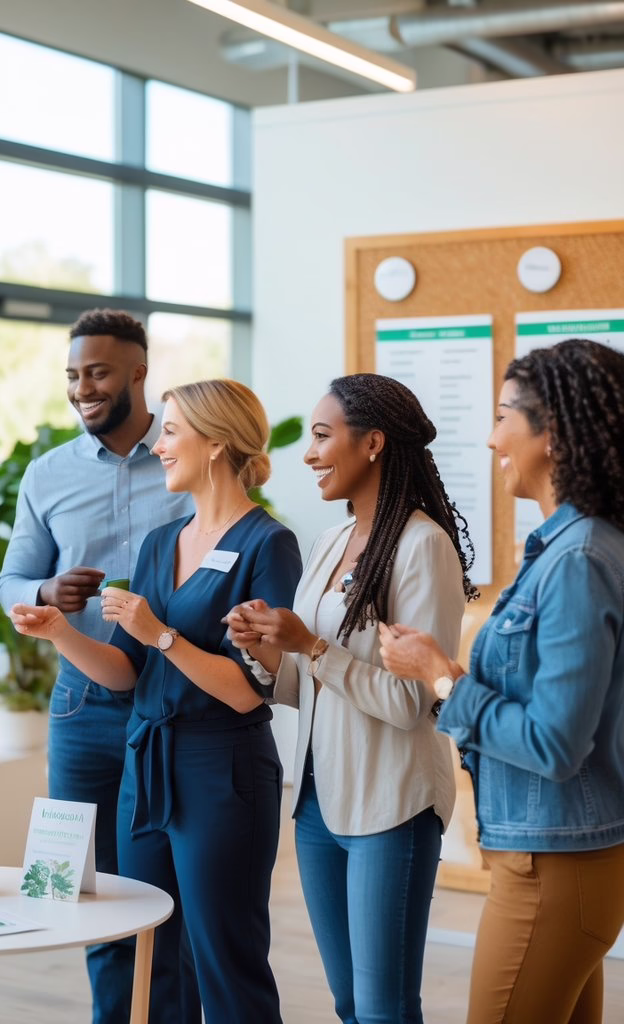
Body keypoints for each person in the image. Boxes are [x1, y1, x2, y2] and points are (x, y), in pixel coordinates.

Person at [11, 378, 302, 1024]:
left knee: (226, 961)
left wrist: (162, 634)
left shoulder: (268, 545)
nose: (160, 447)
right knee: (144, 950)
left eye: (171, 433)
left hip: (222, 774)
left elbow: (250, 688)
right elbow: (125, 674)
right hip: (145, 771)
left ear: (218, 444)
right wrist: (59, 632)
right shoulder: (160, 545)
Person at [378, 339, 624, 1024]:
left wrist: (442, 679)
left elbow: (553, 743)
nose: (491, 441)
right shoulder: (572, 547)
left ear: (556, 434)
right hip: (560, 856)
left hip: (553, 867)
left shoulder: (577, 560)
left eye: (502, 418)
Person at [226, 372, 476, 1024]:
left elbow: (410, 704)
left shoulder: (423, 547)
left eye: (321, 435)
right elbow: (310, 687)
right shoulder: (333, 542)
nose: (307, 453)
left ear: (371, 444)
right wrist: (264, 653)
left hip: (391, 808)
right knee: (348, 1004)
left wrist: (311, 648)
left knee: (385, 1009)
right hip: (318, 806)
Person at [0, 309, 194, 1024]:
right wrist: (45, 593)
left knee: (173, 891)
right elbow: (12, 580)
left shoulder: (187, 456)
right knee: (91, 888)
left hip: (176, 695)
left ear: (139, 373)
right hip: (83, 704)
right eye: (75, 374)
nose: (83, 387)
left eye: (99, 372)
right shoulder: (47, 474)